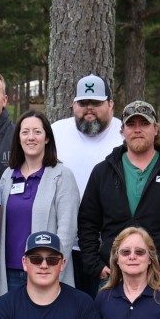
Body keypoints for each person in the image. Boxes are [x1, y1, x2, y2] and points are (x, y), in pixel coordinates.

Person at [77, 100, 160, 294]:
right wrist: (94, 264)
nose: (137, 129)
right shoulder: (103, 172)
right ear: (122, 131)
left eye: (144, 124)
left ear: (155, 128)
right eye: (131, 124)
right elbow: (87, 222)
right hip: (113, 277)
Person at [50, 74, 123, 294]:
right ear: (73, 105)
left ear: (111, 104)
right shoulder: (56, 132)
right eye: (83, 103)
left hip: (111, 248)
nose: (89, 109)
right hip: (64, 245)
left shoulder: (124, 134)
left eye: (96, 103)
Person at [0, 111, 80, 294]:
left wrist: (55, 266)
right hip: (11, 270)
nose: (31, 137)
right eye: (25, 132)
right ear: (18, 138)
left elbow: (67, 229)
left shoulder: (61, 175)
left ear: (47, 138)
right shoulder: (8, 176)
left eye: (37, 132)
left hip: (45, 270)